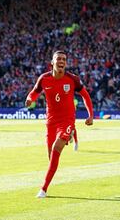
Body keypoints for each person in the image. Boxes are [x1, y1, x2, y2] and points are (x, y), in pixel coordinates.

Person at [25, 51, 94, 198]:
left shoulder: (72, 79)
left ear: (66, 63)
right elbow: (34, 92)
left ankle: (43, 189)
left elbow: (85, 95)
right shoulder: (44, 79)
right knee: (51, 156)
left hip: (67, 120)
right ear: (52, 62)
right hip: (51, 122)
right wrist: (30, 99)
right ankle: (68, 137)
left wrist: (90, 115)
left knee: (57, 147)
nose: (61, 61)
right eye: (58, 59)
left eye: (64, 59)